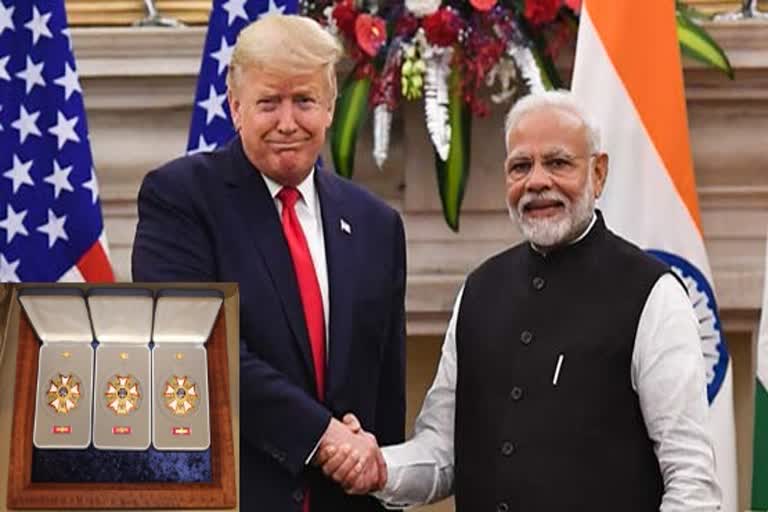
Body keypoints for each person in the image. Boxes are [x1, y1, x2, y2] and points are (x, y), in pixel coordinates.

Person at [317, 91, 722, 511]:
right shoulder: (479, 290)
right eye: (520, 166)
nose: (537, 181)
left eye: (558, 162)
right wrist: (380, 466)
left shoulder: (652, 294)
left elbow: (690, 476)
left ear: (598, 174)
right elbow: (442, 450)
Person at [131, 15, 405, 512]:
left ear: (330, 108)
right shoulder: (181, 199)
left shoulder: (377, 224)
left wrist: (373, 468)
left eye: (304, 101)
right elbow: (194, 348)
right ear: (236, 108)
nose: (287, 122)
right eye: (268, 102)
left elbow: (386, 394)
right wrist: (323, 437)